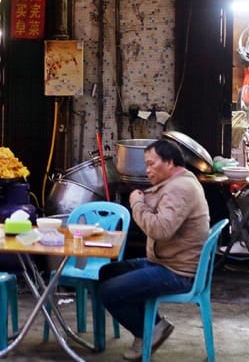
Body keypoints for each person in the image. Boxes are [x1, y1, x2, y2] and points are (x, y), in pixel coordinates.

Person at [96, 139, 211, 361]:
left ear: (169, 162)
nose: (147, 171)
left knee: (108, 291)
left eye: (151, 164)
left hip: (178, 272)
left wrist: (137, 203)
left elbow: (160, 229)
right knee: (108, 273)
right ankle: (155, 325)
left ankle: (146, 332)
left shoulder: (181, 188)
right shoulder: (179, 182)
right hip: (166, 262)